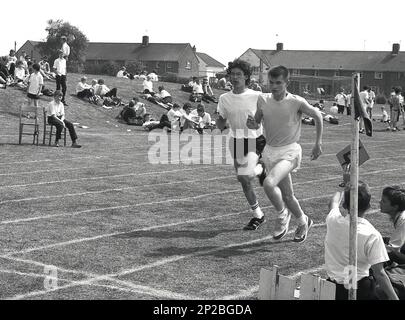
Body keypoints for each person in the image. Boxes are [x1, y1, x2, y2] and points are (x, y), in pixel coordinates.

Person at [246, 65, 322, 242]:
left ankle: (282, 216)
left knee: (269, 183)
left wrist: (318, 143)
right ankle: (304, 221)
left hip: (290, 151)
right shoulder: (263, 100)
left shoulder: (297, 102)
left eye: (278, 83)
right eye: (271, 82)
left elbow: (318, 116)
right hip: (270, 152)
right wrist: (252, 124)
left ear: (287, 82)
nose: (274, 86)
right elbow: (256, 123)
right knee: (287, 196)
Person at [324, 182, 399, 300]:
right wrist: (393, 297)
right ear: (369, 205)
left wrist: (344, 185)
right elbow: (379, 273)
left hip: (332, 287)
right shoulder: (372, 234)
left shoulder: (333, 221)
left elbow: (333, 202)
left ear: (344, 204)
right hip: (358, 289)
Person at [216, 59, 267, 231]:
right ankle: (258, 215)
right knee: (243, 180)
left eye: (239, 74)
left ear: (246, 77)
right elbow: (221, 120)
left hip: (254, 139)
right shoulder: (224, 98)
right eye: (233, 74)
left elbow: (264, 119)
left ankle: (261, 168)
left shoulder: (256, 96)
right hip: (236, 140)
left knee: (246, 175)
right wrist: (220, 123)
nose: (235, 77)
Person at [379, 186, 405, 257]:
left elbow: (393, 249)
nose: (380, 202)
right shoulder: (400, 216)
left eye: (384, 201)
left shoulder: (403, 220)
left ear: (395, 207)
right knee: (380, 240)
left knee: (379, 246)